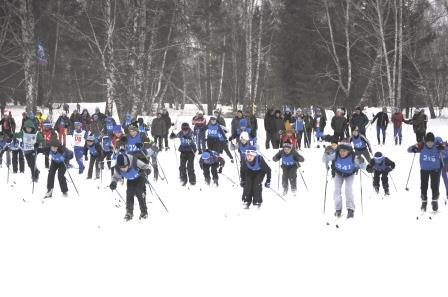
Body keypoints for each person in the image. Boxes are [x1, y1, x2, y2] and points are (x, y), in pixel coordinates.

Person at [323, 141, 365, 219]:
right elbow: (324, 159)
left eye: (344, 151)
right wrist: (326, 153)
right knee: (336, 191)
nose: (342, 152)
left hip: (349, 175)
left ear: (349, 151)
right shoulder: (335, 155)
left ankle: (350, 209)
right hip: (338, 174)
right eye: (341, 150)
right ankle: (338, 209)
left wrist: (361, 161)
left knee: (348, 190)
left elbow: (363, 167)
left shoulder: (353, 157)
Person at [408, 132, 445, 212]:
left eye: (431, 142)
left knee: (434, 186)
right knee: (424, 186)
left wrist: (442, 146)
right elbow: (409, 150)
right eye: (428, 142)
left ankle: (434, 201)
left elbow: (445, 146)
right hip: (424, 170)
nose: (430, 144)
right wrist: (414, 148)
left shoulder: (437, 146)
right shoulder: (422, 146)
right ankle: (424, 202)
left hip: (435, 169)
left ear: (434, 141)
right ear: (425, 142)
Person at [109, 152, 151, 221]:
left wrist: (146, 171)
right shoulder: (117, 167)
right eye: (121, 168)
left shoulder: (133, 161)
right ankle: (129, 213)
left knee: (139, 193)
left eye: (125, 166)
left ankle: (144, 212)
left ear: (128, 163)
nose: (124, 169)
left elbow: (147, 166)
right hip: (130, 179)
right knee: (129, 194)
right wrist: (113, 183)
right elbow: (115, 177)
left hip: (140, 177)